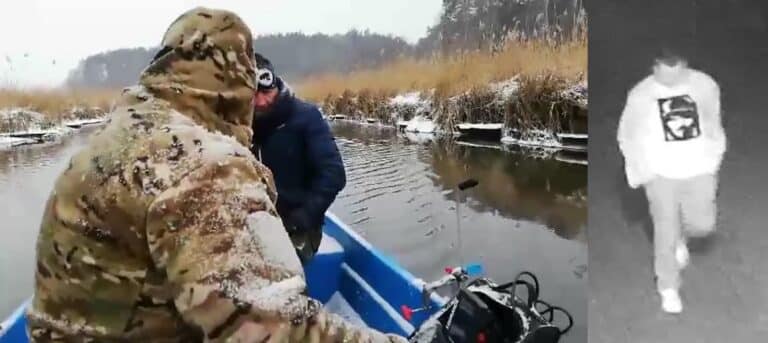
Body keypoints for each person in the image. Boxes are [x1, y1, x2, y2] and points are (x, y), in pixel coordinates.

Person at [26, 7, 405, 342]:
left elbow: (331, 174)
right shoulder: (202, 160)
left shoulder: (115, 134)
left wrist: (302, 218)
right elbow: (271, 330)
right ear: (236, 87)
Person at [617, 48, 726, 314]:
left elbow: (713, 122)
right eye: (662, 68)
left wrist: (714, 157)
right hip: (661, 173)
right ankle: (668, 286)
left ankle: (682, 239)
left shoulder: (704, 85)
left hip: (698, 169)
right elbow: (627, 135)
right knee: (664, 229)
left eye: (674, 69)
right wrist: (641, 172)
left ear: (684, 65)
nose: (668, 74)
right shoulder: (641, 95)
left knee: (703, 225)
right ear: (654, 67)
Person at [250, 53, 346, 265]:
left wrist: (301, 218)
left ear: (276, 84)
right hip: (255, 222)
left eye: (267, 92)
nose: (262, 101)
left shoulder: (306, 117)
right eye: (254, 95)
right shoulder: (241, 125)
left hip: (299, 227)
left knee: (277, 273)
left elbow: (334, 174)